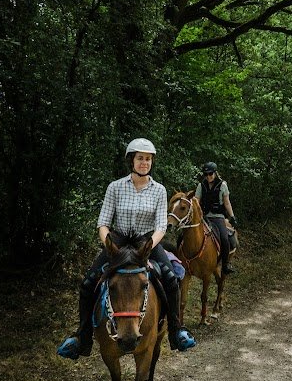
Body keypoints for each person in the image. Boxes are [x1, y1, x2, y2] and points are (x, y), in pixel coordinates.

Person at [57, 138, 196, 359]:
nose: (145, 163)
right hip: (118, 241)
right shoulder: (115, 187)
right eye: (140, 158)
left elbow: (161, 225)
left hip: (147, 241)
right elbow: (103, 223)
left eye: (148, 159)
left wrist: (151, 244)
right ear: (131, 161)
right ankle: (82, 338)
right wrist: (109, 245)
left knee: (170, 278)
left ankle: (175, 331)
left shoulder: (159, 190)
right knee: (88, 282)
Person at [195, 162, 238, 275]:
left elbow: (227, 203)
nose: (208, 176)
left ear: (215, 173)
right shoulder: (201, 185)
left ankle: (225, 265)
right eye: (206, 174)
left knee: (224, 238)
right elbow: (196, 201)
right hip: (204, 217)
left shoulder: (222, 185)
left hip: (217, 217)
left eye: (210, 174)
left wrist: (232, 216)